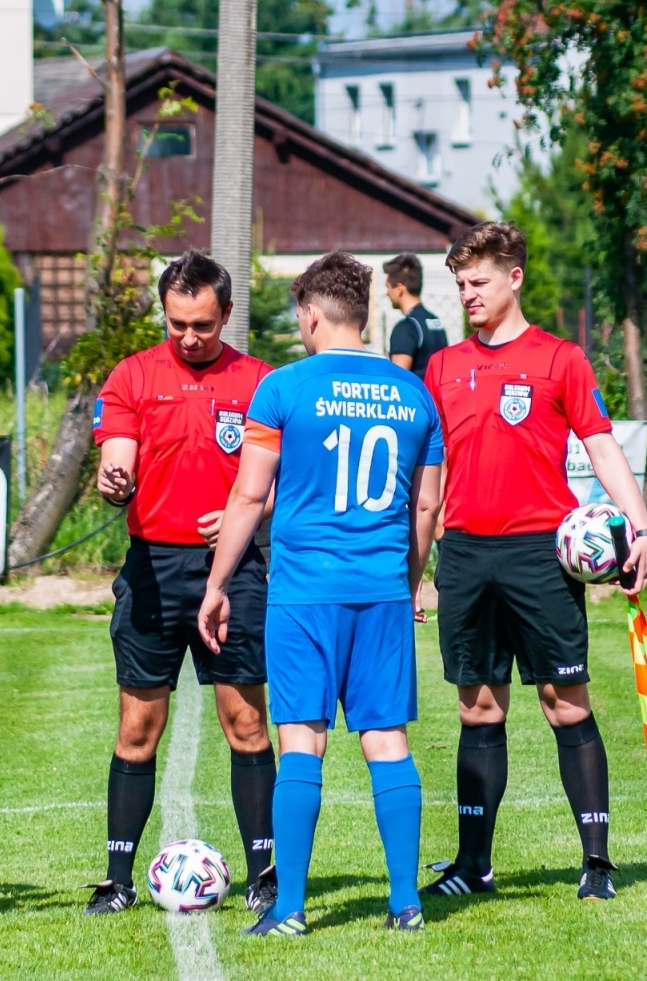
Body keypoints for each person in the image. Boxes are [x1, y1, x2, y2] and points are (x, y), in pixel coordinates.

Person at [199, 251, 443, 937]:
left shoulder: (283, 387)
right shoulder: (416, 395)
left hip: (303, 592)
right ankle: (405, 903)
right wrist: (409, 580)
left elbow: (249, 495)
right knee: (387, 739)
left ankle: (291, 908)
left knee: (302, 736)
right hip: (382, 590)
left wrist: (217, 584)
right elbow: (426, 509)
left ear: (309, 315)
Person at [418, 222, 647, 904]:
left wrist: (641, 527)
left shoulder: (561, 360)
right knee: (478, 709)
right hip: (463, 553)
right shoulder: (443, 366)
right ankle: (473, 865)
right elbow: (424, 471)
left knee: (563, 702)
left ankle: (597, 861)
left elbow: (603, 446)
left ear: (514, 277)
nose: (467, 294)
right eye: (460, 283)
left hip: (539, 557)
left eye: (479, 281)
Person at [85, 250, 280, 917]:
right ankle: (116, 880)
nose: (189, 337)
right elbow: (117, 452)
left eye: (202, 324)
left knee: (245, 720)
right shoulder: (134, 375)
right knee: (138, 726)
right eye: (177, 324)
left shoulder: (261, 381)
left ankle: (264, 874)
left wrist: (244, 513)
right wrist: (115, 478)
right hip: (153, 571)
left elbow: (282, 479)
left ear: (226, 314)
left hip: (234, 573)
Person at [383, 253, 449, 375]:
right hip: (436, 393)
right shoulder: (435, 322)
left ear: (399, 288)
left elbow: (399, 378)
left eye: (387, 287)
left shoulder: (406, 328)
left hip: (418, 393)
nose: (387, 293)